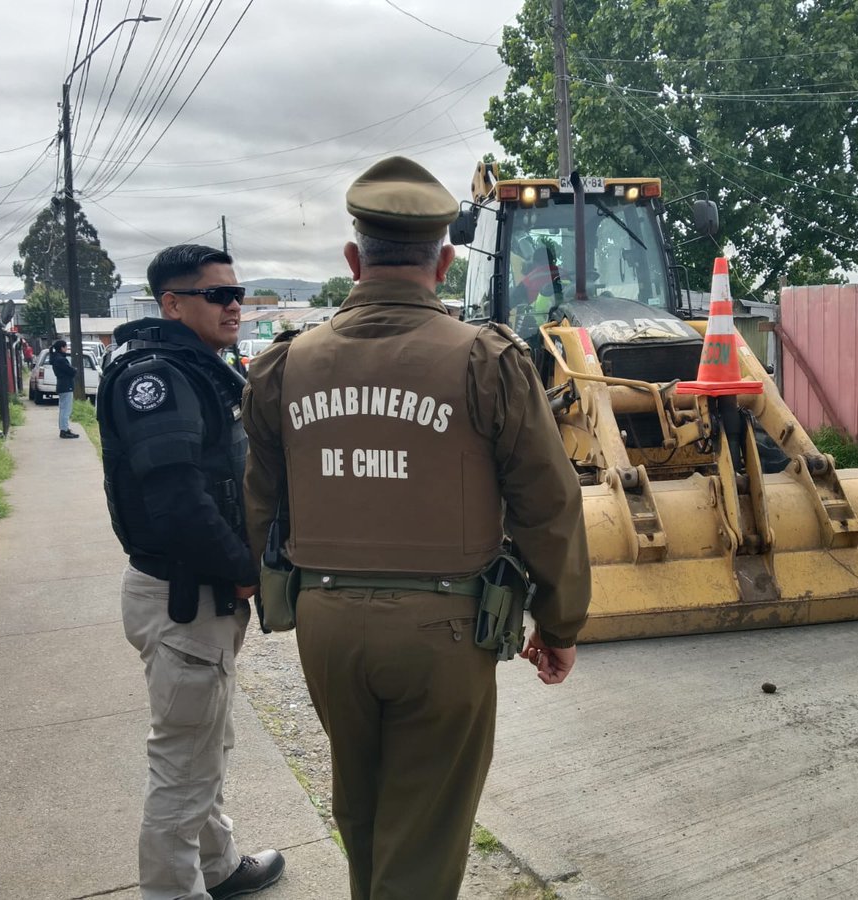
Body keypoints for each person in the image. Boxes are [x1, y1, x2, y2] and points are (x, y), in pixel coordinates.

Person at [241, 156, 591, 899]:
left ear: (352, 258)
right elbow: (547, 503)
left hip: (326, 622)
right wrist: (559, 623)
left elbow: (261, 503)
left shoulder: (284, 366)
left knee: (362, 808)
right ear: (443, 262)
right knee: (425, 831)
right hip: (446, 631)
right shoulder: (487, 361)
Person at [96, 244, 285, 900]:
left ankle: (217, 865)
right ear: (172, 304)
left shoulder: (192, 366)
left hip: (199, 593)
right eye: (217, 295)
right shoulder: (157, 377)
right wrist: (241, 571)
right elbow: (176, 500)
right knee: (183, 764)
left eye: (237, 293)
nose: (234, 305)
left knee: (206, 741)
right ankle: (173, 891)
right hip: (187, 596)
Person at [49, 339, 79, 439]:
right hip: (66, 385)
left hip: (62, 385)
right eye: (66, 347)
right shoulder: (61, 360)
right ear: (62, 348)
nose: (67, 349)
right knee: (66, 409)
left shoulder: (55, 358)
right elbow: (71, 371)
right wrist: (74, 369)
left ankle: (64, 428)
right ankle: (64, 430)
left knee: (63, 409)